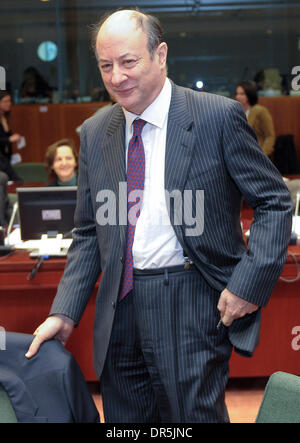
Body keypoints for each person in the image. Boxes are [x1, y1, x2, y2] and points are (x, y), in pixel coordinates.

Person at [26, 9, 293, 423]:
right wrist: (63, 313)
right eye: (106, 66)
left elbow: (274, 201)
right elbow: (86, 232)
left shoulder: (215, 117)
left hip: (191, 301)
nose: (116, 77)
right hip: (118, 308)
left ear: (160, 54)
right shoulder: (95, 132)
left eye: (128, 62)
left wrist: (247, 286)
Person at [235, 81, 276, 158]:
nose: (238, 96)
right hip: (241, 155)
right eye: (237, 93)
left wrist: (262, 155)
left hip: (257, 154)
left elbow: (270, 136)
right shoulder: (236, 112)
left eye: (242, 94)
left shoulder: (260, 111)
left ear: (249, 95)